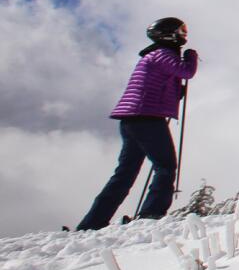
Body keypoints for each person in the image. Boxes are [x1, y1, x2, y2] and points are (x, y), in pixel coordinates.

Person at [76, 17, 200, 230]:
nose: (184, 36)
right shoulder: (163, 54)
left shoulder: (152, 56)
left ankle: (93, 223)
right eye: (181, 31)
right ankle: (151, 213)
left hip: (132, 120)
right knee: (166, 165)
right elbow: (186, 71)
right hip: (148, 119)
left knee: (125, 173)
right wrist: (191, 57)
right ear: (168, 34)